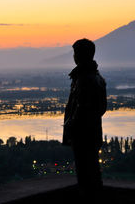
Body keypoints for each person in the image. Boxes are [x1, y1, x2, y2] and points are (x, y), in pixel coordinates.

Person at [63, 38, 107, 200]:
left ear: (82, 55)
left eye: (76, 53)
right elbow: (100, 108)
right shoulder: (95, 77)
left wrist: (71, 125)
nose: (74, 56)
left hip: (83, 135)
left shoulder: (84, 79)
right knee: (92, 171)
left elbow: (82, 108)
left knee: (86, 174)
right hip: (92, 133)